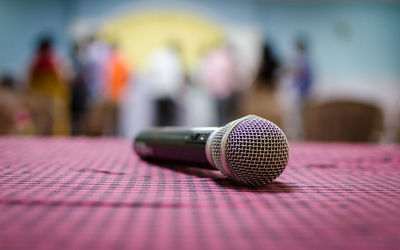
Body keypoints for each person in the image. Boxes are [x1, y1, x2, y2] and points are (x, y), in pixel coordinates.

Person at [28, 35, 70, 135]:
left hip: (41, 96)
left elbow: (29, 80)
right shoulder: (54, 60)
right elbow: (64, 77)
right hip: (52, 96)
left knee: (43, 121)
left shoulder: (35, 60)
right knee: (53, 121)